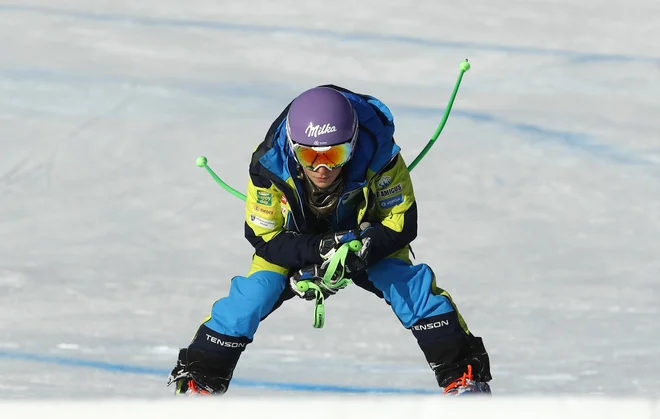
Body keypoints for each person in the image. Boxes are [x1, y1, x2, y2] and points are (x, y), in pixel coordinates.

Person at [167, 85, 492, 396]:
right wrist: (318, 252)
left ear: (353, 143)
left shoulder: (381, 156)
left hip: (365, 238)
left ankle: (464, 377)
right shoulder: (268, 167)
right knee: (252, 296)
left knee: (409, 287)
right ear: (293, 148)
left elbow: (402, 222)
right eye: (309, 156)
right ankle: (198, 380)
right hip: (294, 242)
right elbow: (264, 237)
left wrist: (359, 249)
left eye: (335, 154)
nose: (322, 168)